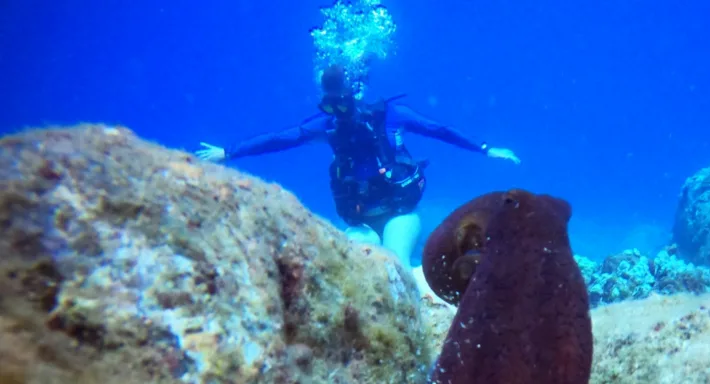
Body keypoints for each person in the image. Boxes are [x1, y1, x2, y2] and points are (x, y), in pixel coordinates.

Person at [196, 65, 520, 293]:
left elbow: (437, 129)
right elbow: (281, 139)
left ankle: (424, 286)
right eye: (330, 102)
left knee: (395, 268)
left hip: (398, 212)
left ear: (354, 92)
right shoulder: (327, 125)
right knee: (360, 267)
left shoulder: (390, 115)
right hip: (359, 218)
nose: (338, 110)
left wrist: (485, 148)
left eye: (342, 100)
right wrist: (229, 152)